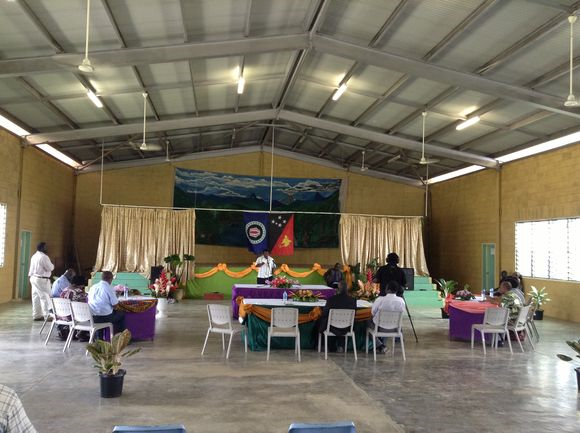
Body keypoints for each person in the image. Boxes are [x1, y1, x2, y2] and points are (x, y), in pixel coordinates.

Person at [318, 281, 356, 353]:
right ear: (347, 289)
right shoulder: (353, 300)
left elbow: (325, 313)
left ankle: (325, 345)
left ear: (338, 289)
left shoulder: (331, 299)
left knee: (321, 321)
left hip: (332, 326)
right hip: (347, 327)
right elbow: (354, 314)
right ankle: (341, 345)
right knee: (340, 324)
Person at [370, 280, 406, 353]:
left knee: (367, 324)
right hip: (395, 328)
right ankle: (381, 345)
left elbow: (373, 312)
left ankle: (380, 345)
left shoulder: (380, 299)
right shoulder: (401, 301)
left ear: (388, 289)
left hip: (380, 328)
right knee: (383, 321)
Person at [28, 242, 54, 321]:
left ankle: (37, 315)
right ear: (42, 248)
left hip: (33, 278)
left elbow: (31, 268)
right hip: (41, 280)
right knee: (45, 297)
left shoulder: (34, 256)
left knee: (35, 297)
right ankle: (47, 316)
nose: (47, 248)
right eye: (45, 247)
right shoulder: (44, 257)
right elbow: (50, 268)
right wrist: (52, 265)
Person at [59, 275, 89, 342]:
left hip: (62, 315)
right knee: (91, 313)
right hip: (73, 317)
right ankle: (82, 332)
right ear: (80, 284)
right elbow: (84, 304)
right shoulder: (78, 292)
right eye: (83, 285)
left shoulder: (65, 289)